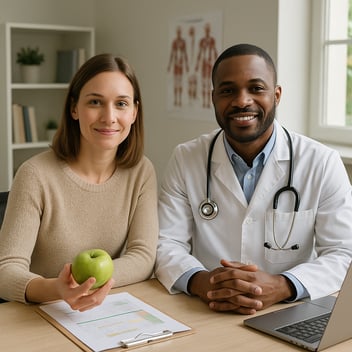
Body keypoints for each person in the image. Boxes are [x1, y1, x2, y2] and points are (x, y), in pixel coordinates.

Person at [155, 43, 352, 315]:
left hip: (288, 311)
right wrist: (202, 281)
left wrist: (284, 285)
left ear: (277, 95)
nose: (241, 101)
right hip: (207, 309)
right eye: (228, 91)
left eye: (256, 88)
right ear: (213, 98)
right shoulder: (186, 157)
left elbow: (344, 253)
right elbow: (166, 243)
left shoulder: (321, 162)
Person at [0, 53, 159, 311]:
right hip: (38, 315)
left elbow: (143, 256)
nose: (109, 117)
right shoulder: (34, 174)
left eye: (121, 104)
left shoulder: (142, 171)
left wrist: (89, 285)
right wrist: (58, 289)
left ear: (134, 112)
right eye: (95, 102)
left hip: (104, 311)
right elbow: (6, 271)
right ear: (74, 108)